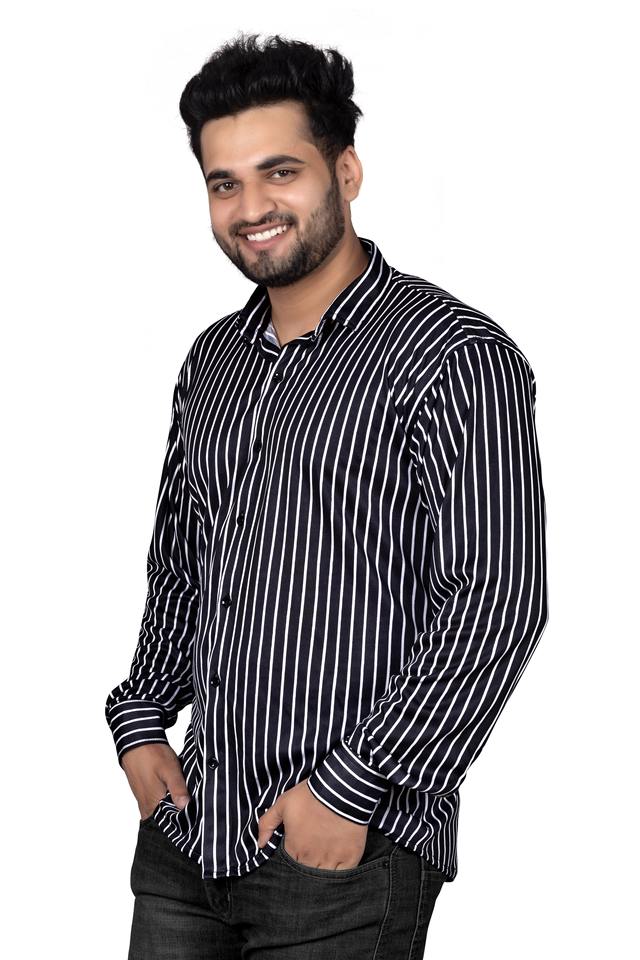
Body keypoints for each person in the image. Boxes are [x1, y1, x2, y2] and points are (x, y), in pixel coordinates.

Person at [105, 31, 549, 960]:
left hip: (344, 850)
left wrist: (353, 787)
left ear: (345, 171)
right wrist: (141, 722)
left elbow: (497, 599)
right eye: (224, 184)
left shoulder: (453, 357)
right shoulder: (213, 362)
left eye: (281, 172)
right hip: (190, 836)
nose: (251, 208)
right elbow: (182, 567)